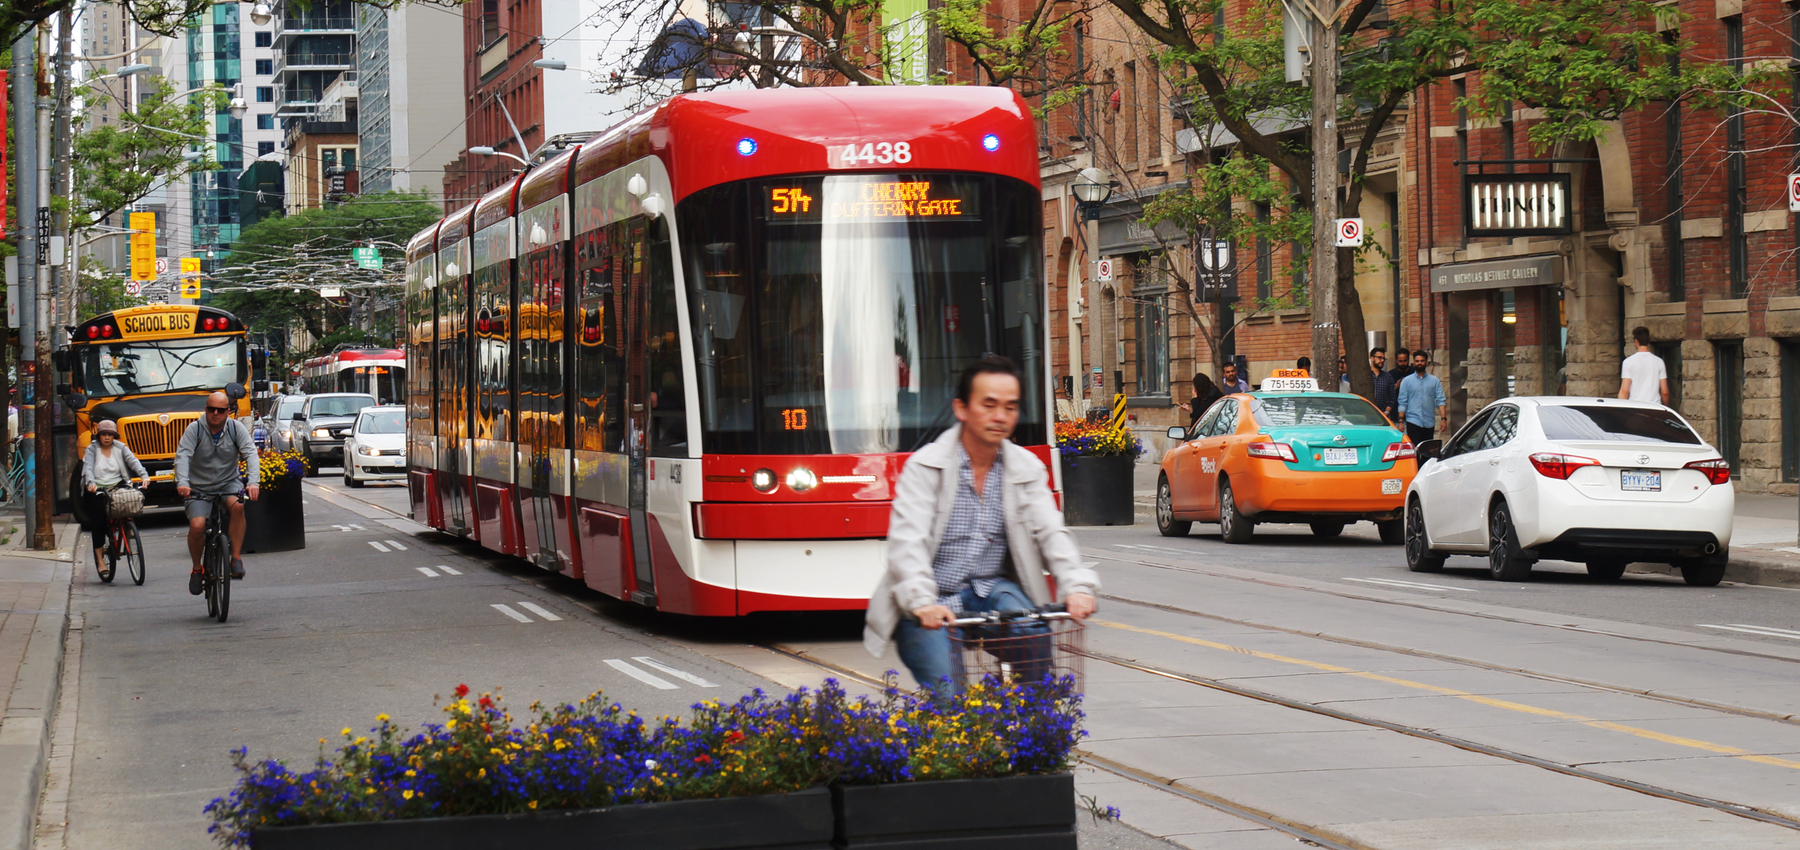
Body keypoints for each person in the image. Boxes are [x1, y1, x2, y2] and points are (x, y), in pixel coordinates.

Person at [864, 355, 1099, 690]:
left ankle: (1033, 730)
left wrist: (1076, 585)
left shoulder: (1025, 467)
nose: (1000, 416)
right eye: (989, 405)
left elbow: (1051, 532)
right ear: (961, 409)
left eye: (1010, 407)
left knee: (1033, 636)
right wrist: (921, 602)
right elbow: (907, 543)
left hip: (990, 590)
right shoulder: (925, 467)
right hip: (931, 598)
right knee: (951, 696)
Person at [175, 392, 260, 595]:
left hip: (228, 483)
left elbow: (250, 453)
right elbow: (183, 456)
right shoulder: (194, 430)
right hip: (198, 487)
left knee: (238, 506)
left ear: (227, 412)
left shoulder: (235, 428)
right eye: (211, 409)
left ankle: (236, 558)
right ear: (205, 410)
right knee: (197, 526)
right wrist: (183, 482)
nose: (215, 413)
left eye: (220, 410)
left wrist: (253, 482)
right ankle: (197, 569)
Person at [81, 420, 148, 573]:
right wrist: (90, 483)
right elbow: (87, 469)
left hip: (117, 486)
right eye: (104, 434)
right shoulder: (92, 449)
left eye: (110, 435)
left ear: (114, 436)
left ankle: (127, 525)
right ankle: (100, 562)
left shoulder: (120, 447)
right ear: (99, 436)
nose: (107, 438)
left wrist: (144, 476)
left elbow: (133, 462)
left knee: (130, 500)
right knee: (98, 524)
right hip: (96, 489)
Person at [1395, 350, 1447, 445]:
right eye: (1417, 361)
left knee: (1427, 453)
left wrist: (1443, 419)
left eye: (1422, 361)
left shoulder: (1434, 381)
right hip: (1413, 421)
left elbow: (1441, 400)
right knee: (1415, 451)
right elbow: (1402, 402)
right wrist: (1401, 421)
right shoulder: (1407, 381)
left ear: (1426, 362)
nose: (1419, 363)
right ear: (1414, 362)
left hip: (1429, 422)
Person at [1618, 326, 1669, 405]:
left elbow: (1624, 391)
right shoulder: (1659, 362)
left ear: (1636, 341)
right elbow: (1665, 392)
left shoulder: (1628, 362)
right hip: (1655, 407)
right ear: (1648, 340)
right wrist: (1666, 407)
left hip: (1636, 407)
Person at [1367, 347, 1398, 420]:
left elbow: (1392, 397)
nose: (1382, 360)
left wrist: (1386, 412)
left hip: (1383, 416)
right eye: (1379, 358)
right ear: (1372, 358)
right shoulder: (1365, 375)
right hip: (1366, 415)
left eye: (1383, 358)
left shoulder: (1388, 376)